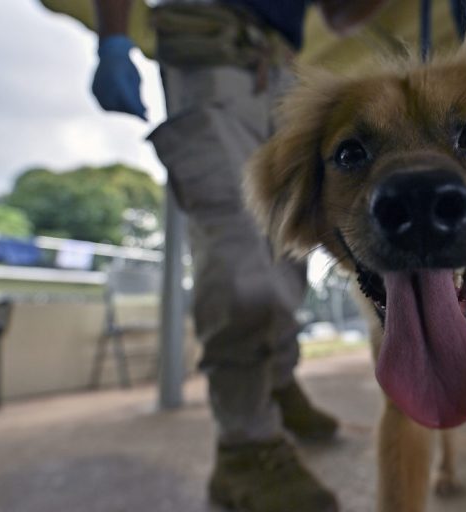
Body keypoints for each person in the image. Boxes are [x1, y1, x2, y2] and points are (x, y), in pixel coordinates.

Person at [85, 0, 388, 510]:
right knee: (238, 245)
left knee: (290, 243)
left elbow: (338, 15)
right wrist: (112, 39)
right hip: (209, 43)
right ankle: (245, 447)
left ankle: (275, 380)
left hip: (286, 73)